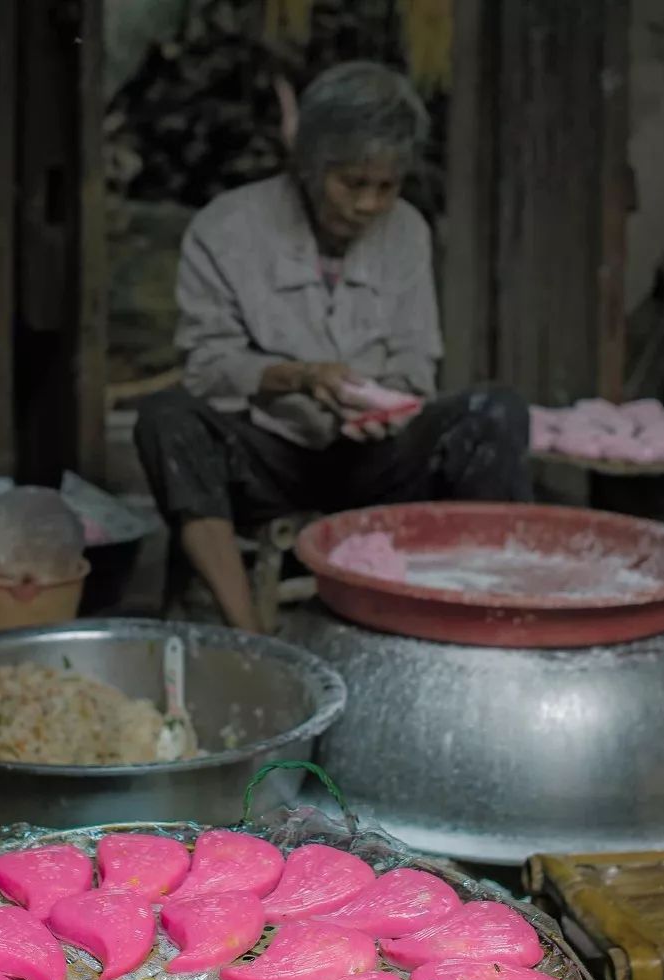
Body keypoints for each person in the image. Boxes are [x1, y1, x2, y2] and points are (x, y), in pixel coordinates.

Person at [134, 61, 532, 632]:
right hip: (268, 458)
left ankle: (492, 619)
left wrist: (388, 406)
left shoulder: (409, 232)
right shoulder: (226, 229)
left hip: (374, 461)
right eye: (352, 183)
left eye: (386, 187)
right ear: (311, 167)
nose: (369, 204)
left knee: (494, 412)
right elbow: (208, 368)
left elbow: (415, 360)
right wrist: (300, 378)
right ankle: (248, 633)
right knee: (165, 417)